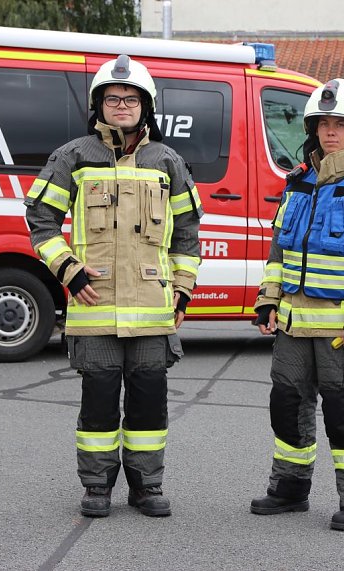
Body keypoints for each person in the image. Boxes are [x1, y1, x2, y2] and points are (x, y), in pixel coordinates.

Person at [24, 55, 202, 518]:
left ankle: (146, 488)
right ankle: (97, 487)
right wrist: (69, 270)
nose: (122, 105)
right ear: (98, 106)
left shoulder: (168, 161)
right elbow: (41, 220)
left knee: (148, 406)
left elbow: (186, 232)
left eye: (131, 99)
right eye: (112, 98)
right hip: (94, 304)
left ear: (146, 106)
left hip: (151, 310)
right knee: (98, 405)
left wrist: (182, 289)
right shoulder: (74, 156)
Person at [250, 78, 344, 531]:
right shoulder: (297, 183)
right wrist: (268, 300)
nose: (330, 131)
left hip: (343, 329)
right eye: (323, 123)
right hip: (293, 327)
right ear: (312, 129)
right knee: (287, 405)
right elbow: (279, 249)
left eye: (340, 124)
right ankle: (290, 490)